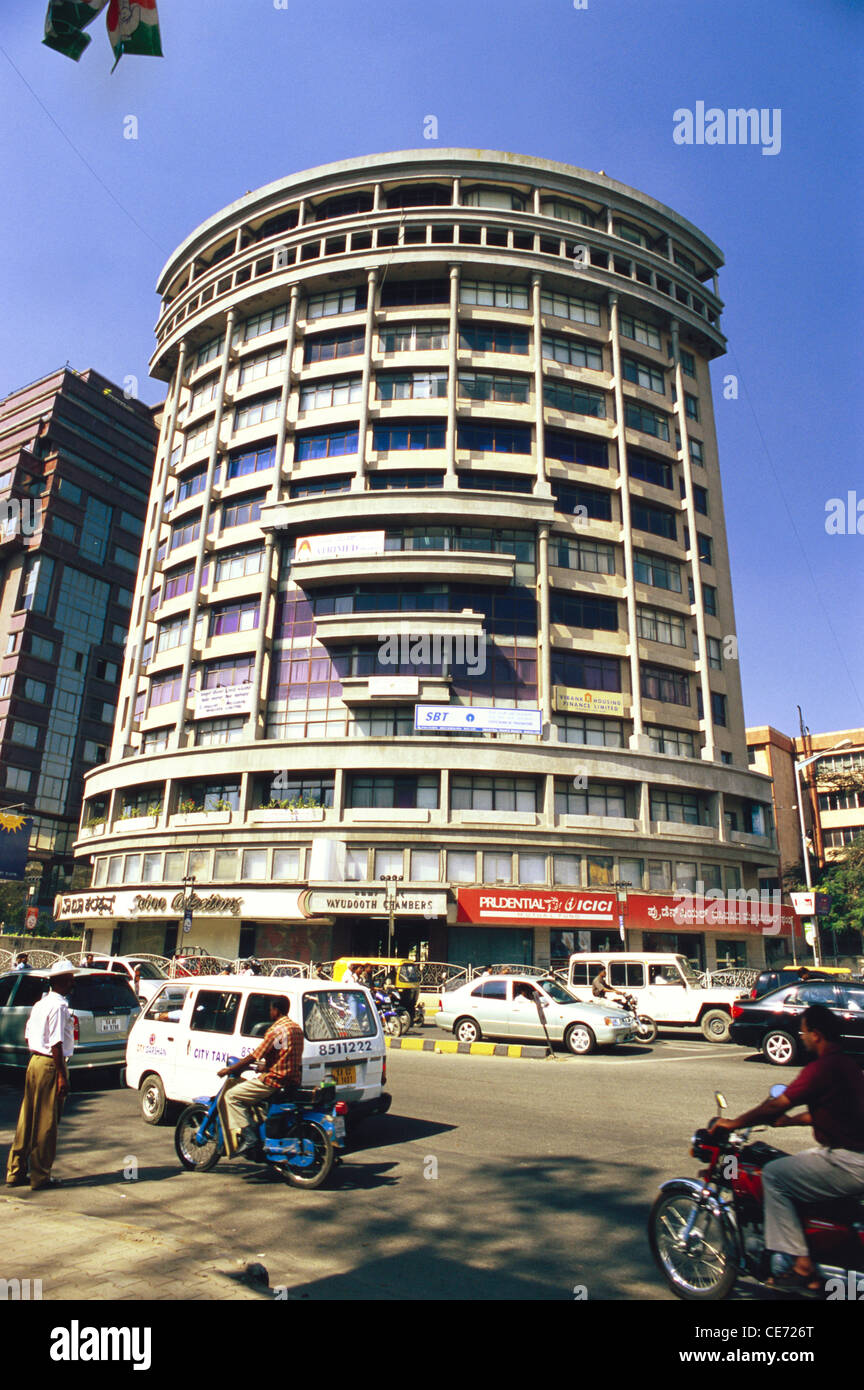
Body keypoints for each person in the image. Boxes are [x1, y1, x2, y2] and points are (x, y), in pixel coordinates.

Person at [710, 1003, 864, 1293]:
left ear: (816, 1034)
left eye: (804, 1032)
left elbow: (778, 1102)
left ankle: (801, 1265)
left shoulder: (821, 1068)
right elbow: (831, 1112)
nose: (802, 1037)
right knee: (796, 1162)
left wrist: (734, 1123)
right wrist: (789, 1122)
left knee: (774, 1176)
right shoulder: (847, 1065)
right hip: (850, 1155)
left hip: (848, 1160)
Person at [5, 963, 76, 1190]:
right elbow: (56, 1043)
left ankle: (15, 1170)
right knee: (46, 1122)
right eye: (70, 978)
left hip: (34, 1061)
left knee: (27, 1118)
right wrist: (61, 1075)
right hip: (49, 1064)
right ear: (62, 981)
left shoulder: (40, 1004)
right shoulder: (59, 1007)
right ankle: (40, 1174)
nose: (72, 982)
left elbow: (29, 1035)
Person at [217, 996, 303, 1157]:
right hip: (292, 1080)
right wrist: (266, 1065)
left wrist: (230, 1070)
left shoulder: (276, 1030)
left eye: (271, 1009)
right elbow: (282, 1051)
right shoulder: (295, 1028)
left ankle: (250, 1138)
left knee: (232, 1096)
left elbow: (254, 1056)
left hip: (274, 1080)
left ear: (276, 1010)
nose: (269, 1012)